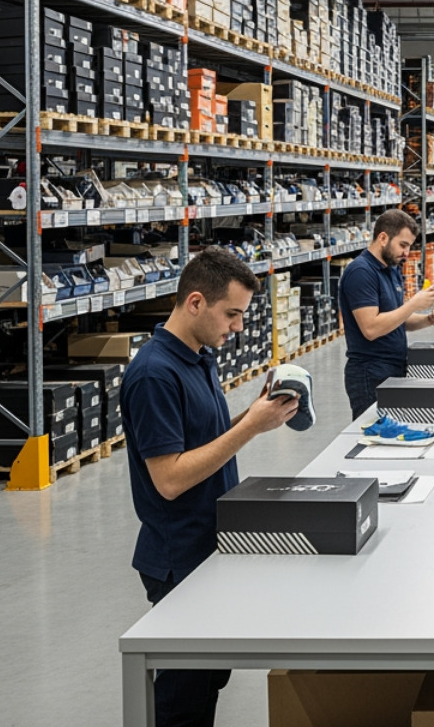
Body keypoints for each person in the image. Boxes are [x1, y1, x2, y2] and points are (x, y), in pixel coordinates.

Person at [121, 248, 298, 727]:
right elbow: (171, 478)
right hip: (179, 556)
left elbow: (204, 439)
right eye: (232, 314)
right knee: (182, 700)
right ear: (195, 302)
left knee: (206, 683)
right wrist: (248, 430)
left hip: (209, 548)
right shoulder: (155, 374)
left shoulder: (197, 357)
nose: (238, 326)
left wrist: (255, 415)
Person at [338, 209, 434, 420]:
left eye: (410, 246)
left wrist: (427, 319)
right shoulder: (361, 272)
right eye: (403, 245)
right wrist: (413, 304)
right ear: (383, 237)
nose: (406, 253)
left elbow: (397, 319)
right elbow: (371, 328)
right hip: (370, 374)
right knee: (373, 438)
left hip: (394, 368)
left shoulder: (391, 269)